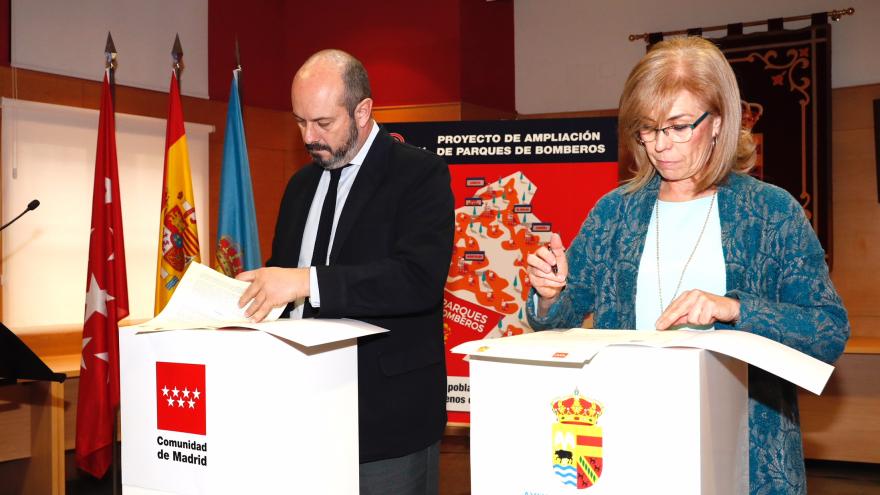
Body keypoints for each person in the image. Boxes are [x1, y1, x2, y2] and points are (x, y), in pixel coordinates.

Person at [526, 37, 848, 494]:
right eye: (648, 129)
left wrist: (736, 309)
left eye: (679, 127)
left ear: (717, 122)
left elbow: (827, 331)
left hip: (743, 448)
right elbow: (559, 318)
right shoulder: (615, 211)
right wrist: (551, 292)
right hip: (629, 435)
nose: (661, 146)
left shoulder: (771, 212)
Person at [236, 49, 454, 495]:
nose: (309, 138)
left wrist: (306, 281)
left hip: (386, 420)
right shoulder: (300, 185)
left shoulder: (419, 173)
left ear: (363, 110)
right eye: (300, 122)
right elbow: (286, 291)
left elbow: (417, 280)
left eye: (323, 123)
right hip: (303, 409)